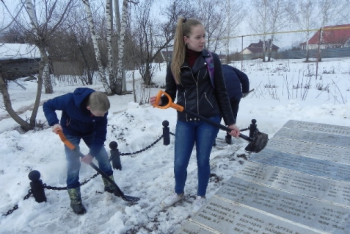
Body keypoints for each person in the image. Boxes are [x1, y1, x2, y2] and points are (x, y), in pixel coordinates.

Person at [150, 17, 240, 213]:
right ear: (185, 39)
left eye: (204, 36)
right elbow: (171, 92)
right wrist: (161, 100)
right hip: (185, 119)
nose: (202, 41)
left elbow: (222, 93)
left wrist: (231, 122)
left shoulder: (211, 59)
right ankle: (178, 192)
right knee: (180, 161)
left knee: (202, 160)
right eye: (198, 37)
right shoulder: (174, 62)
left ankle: (201, 195)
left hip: (209, 118)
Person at [43, 88, 119, 215]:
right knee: (73, 165)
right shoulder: (69, 100)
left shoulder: (101, 109)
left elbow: (101, 134)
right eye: (100, 114)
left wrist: (92, 154)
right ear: (89, 107)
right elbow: (47, 105)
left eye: (104, 113)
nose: (103, 116)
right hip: (71, 132)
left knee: (103, 158)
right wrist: (54, 123)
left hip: (91, 132)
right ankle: (75, 200)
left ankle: (110, 186)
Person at [221, 64, 250, 144]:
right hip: (236, 94)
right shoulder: (229, 67)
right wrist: (245, 91)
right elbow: (244, 77)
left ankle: (212, 139)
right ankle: (229, 137)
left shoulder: (213, 70)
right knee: (232, 115)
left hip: (223, 94)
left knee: (218, 115)